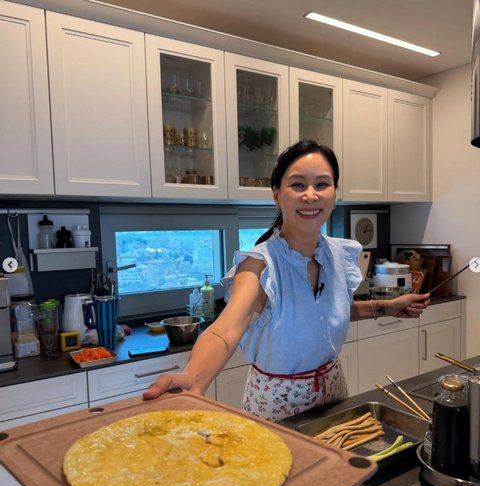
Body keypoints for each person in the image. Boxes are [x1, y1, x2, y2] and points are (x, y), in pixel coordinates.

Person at [144, 140, 430, 421]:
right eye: (297, 185)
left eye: (322, 184)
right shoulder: (260, 264)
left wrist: (386, 307)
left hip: (333, 395)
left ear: (334, 194)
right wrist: (194, 378)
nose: (310, 195)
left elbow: (325, 314)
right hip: (277, 408)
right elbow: (228, 327)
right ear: (277, 196)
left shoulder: (338, 254)